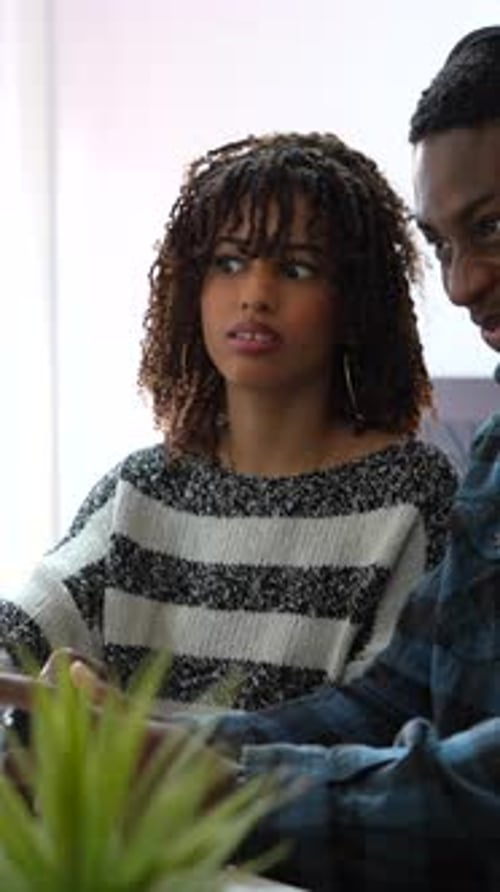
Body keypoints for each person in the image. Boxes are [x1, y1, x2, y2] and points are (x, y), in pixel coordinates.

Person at [0, 133, 457, 712]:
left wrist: (135, 738)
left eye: (296, 269)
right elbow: (14, 638)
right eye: (230, 262)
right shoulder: (144, 491)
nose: (255, 296)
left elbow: (375, 731)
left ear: (353, 303)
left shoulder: (409, 497)